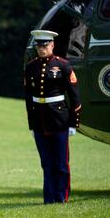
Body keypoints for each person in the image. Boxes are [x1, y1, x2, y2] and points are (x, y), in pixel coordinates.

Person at [24, 30, 82, 204]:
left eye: (44, 45)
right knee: (46, 163)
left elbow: (75, 97)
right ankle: (49, 199)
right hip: (40, 121)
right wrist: (32, 125)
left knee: (61, 163)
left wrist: (73, 123)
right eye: (38, 45)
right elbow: (28, 98)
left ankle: (61, 197)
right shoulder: (31, 66)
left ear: (52, 45)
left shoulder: (63, 65)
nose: (41, 49)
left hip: (59, 119)